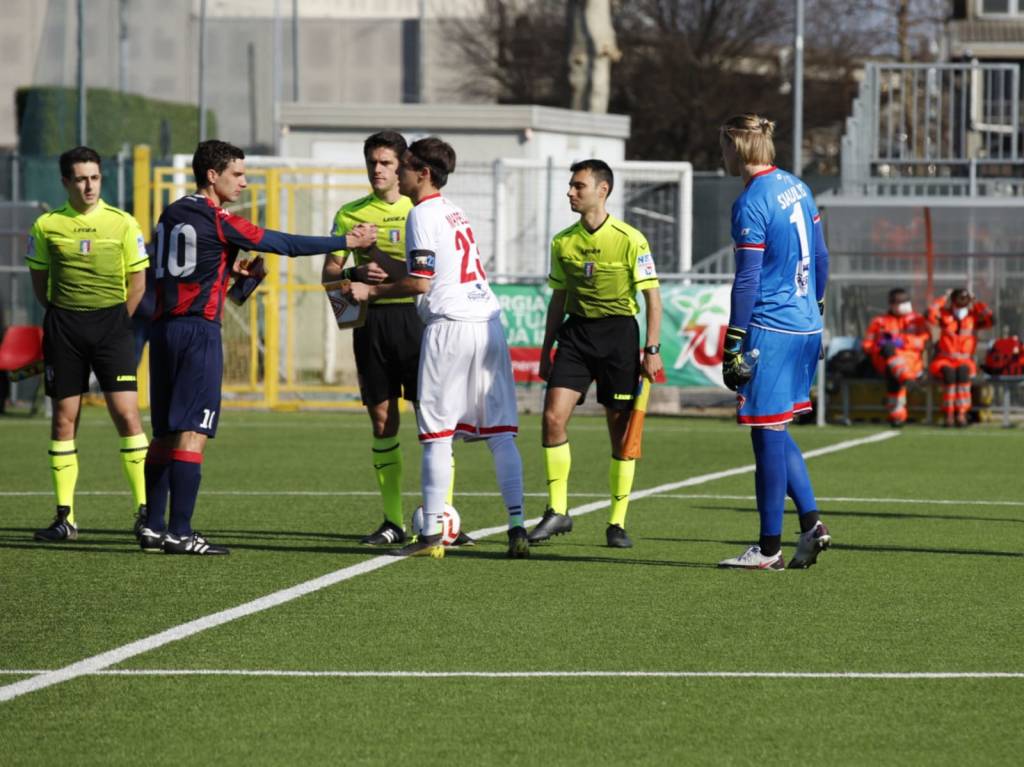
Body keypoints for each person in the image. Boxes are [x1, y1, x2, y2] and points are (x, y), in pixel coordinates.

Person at [139, 139, 376, 555]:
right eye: (237, 174)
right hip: (197, 333)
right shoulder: (218, 219)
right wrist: (344, 242)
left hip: (163, 332)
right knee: (193, 432)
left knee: (164, 433)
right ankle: (180, 531)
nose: (245, 183)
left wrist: (239, 278)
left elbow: (194, 276)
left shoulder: (171, 214)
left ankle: (154, 527)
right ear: (212, 176)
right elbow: (282, 243)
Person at [345, 136, 529, 559]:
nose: (399, 173)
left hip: (449, 327)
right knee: (500, 434)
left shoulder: (421, 214)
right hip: (488, 324)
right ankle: (517, 526)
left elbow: (422, 284)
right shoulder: (454, 211)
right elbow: (426, 271)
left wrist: (369, 293)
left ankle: (430, 535)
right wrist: (374, 252)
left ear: (422, 173)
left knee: (436, 436)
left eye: (405, 166)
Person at [323, 131, 467, 547]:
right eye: (372, 162)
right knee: (383, 420)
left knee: (434, 421)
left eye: (386, 162)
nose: (378, 170)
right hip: (372, 325)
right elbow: (329, 277)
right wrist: (352, 274)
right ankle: (392, 521)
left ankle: (443, 520)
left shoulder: (421, 207)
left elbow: (435, 272)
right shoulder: (351, 214)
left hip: (419, 322)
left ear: (402, 164)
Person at [526, 159, 662, 549]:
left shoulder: (631, 238)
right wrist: (546, 347)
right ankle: (557, 511)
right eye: (570, 186)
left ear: (603, 190)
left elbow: (653, 298)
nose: (570, 192)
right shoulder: (562, 241)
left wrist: (651, 349)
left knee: (620, 434)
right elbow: (558, 297)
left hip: (619, 336)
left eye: (578, 186)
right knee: (552, 418)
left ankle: (616, 522)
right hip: (576, 336)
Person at [716, 114, 831, 571]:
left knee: (765, 437)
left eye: (722, 146)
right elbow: (820, 254)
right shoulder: (797, 186)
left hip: (772, 327)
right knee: (776, 429)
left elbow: (747, 280)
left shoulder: (751, 202)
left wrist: (734, 340)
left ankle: (767, 549)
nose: (720, 155)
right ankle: (811, 525)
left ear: (738, 147)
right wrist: (815, 307)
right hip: (806, 324)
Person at [26, 146, 150, 542]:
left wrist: (114, 322)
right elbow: (40, 284)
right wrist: (67, 315)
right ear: (66, 182)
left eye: (94, 177)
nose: (89, 185)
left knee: (127, 415)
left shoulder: (123, 223)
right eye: (81, 178)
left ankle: (144, 513)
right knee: (64, 418)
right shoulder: (46, 225)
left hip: (112, 326)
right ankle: (66, 518)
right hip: (65, 328)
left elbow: (138, 282)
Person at [862, 287, 930, 427]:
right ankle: (906, 380)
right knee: (890, 362)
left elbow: (924, 341)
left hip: (911, 361)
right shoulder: (879, 322)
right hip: (885, 361)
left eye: (906, 301)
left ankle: (896, 414)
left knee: (893, 373)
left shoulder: (917, 321)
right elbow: (867, 346)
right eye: (899, 302)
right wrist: (880, 345)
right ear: (891, 304)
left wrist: (902, 341)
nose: (904, 304)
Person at [927, 288, 993, 428]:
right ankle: (949, 414)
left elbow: (990, 319)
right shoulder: (944, 316)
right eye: (959, 298)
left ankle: (961, 413)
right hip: (945, 359)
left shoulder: (973, 317)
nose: (962, 302)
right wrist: (944, 297)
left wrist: (976, 302)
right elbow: (930, 314)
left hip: (965, 360)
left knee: (963, 374)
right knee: (949, 375)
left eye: (965, 299)